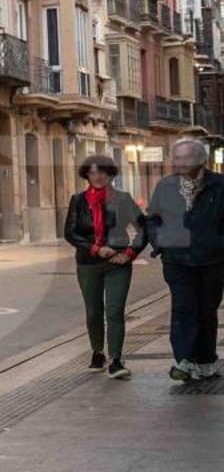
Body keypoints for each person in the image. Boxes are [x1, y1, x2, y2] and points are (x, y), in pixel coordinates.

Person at [144, 136, 224, 384]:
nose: (179, 162)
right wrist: (159, 241)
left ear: (201, 160)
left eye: (185, 157)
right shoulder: (165, 186)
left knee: (206, 311)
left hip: (212, 260)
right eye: (176, 157)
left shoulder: (219, 185)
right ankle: (184, 361)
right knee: (183, 308)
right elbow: (152, 219)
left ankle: (206, 360)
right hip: (177, 260)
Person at [63, 154, 146, 380]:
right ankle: (98, 353)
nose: (97, 176)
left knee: (115, 311)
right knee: (93, 311)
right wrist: (95, 249)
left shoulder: (123, 199)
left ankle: (116, 360)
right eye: (92, 172)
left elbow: (144, 229)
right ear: (87, 175)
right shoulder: (78, 200)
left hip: (117, 264)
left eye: (102, 172)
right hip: (88, 263)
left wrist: (129, 253)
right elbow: (70, 233)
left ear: (110, 174)